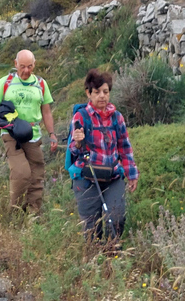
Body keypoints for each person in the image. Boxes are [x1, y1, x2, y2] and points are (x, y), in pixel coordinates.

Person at [68, 69, 139, 243]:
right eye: (97, 92)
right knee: (92, 228)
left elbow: (125, 147)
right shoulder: (81, 116)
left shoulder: (117, 118)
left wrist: (132, 174)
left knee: (117, 219)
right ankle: (95, 261)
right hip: (86, 177)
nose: (102, 96)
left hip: (113, 176)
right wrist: (77, 142)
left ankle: (112, 251)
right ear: (88, 93)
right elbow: (73, 150)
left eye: (105, 92)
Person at [0, 49, 57, 213]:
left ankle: (32, 213)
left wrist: (52, 134)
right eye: (22, 66)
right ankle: (15, 212)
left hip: (34, 135)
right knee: (21, 173)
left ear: (35, 65)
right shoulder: (5, 82)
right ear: (15, 64)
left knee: (36, 175)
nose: (26, 70)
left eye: (30, 66)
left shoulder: (40, 84)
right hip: (11, 134)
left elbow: (46, 111)